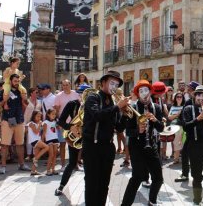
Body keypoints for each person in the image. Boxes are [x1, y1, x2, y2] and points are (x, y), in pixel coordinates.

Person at [82, 71, 128, 206]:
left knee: (104, 183)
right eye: (111, 83)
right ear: (103, 83)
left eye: (116, 84)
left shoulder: (114, 102)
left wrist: (124, 115)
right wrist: (117, 107)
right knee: (92, 183)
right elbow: (97, 115)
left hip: (108, 147)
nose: (114, 86)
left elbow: (119, 129)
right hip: (92, 146)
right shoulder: (93, 97)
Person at [121, 79, 164, 206]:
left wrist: (155, 120)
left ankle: (152, 201)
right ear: (137, 94)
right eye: (141, 91)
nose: (144, 93)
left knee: (158, 178)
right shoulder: (132, 108)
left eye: (146, 90)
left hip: (151, 145)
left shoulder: (156, 107)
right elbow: (128, 131)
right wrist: (138, 130)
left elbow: (161, 128)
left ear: (150, 92)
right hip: (136, 147)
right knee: (137, 178)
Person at [55, 83, 93, 196]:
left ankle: (89, 191)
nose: (84, 97)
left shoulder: (94, 106)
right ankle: (61, 186)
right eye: (82, 94)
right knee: (72, 163)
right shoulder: (72, 104)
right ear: (78, 94)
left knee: (89, 164)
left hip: (89, 137)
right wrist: (71, 127)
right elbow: (60, 121)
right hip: (75, 137)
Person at [0, 74, 31, 174]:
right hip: (7, 120)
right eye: (15, 81)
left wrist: (24, 99)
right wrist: (4, 101)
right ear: (11, 81)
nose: (17, 83)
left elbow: (27, 104)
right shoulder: (3, 91)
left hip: (19, 120)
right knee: (5, 145)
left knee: (20, 144)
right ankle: (3, 166)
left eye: (18, 81)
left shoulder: (21, 90)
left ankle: (22, 164)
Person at [54, 79, 80, 171]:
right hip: (64, 124)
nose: (65, 86)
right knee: (62, 144)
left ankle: (75, 164)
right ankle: (63, 165)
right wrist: (58, 122)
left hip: (75, 125)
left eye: (67, 85)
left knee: (75, 144)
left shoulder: (76, 94)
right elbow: (56, 111)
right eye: (63, 85)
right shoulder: (58, 96)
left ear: (70, 85)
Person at [28, 110, 49, 175]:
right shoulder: (31, 123)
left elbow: (41, 133)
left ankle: (33, 170)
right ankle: (35, 158)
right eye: (37, 116)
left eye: (40, 117)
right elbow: (36, 132)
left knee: (37, 155)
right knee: (47, 147)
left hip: (38, 140)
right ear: (34, 116)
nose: (39, 118)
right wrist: (40, 124)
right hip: (34, 141)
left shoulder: (38, 123)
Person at [23, 87, 41, 159]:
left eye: (37, 92)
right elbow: (23, 112)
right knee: (28, 139)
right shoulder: (27, 101)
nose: (37, 94)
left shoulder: (39, 102)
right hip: (28, 122)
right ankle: (28, 154)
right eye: (36, 92)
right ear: (31, 93)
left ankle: (35, 154)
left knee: (36, 138)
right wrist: (24, 124)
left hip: (37, 122)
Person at [168, 91, 185, 163]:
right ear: (175, 98)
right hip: (174, 126)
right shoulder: (173, 107)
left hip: (183, 126)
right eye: (177, 97)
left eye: (180, 97)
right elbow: (169, 117)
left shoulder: (185, 106)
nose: (179, 98)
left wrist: (174, 116)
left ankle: (184, 159)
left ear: (182, 98)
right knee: (176, 143)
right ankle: (176, 159)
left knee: (183, 143)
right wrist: (177, 114)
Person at [43, 109, 60, 175]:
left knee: (55, 154)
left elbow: (58, 129)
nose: (54, 115)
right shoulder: (45, 122)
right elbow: (44, 132)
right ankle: (48, 170)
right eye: (52, 114)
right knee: (51, 154)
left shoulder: (55, 122)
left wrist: (59, 124)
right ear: (48, 114)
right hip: (49, 140)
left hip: (55, 139)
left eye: (55, 114)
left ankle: (53, 169)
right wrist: (43, 141)